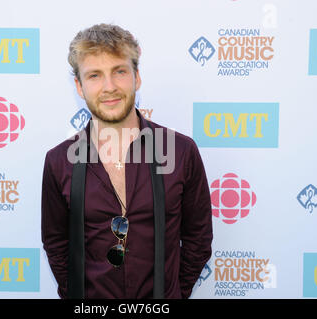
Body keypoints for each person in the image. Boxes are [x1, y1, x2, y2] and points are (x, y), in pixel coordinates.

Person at [41, 23, 213, 299]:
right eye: (95, 75)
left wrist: (173, 295)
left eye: (119, 71)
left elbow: (198, 240)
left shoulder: (181, 152)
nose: (109, 87)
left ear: (137, 77)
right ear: (79, 86)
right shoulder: (59, 161)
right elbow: (56, 244)